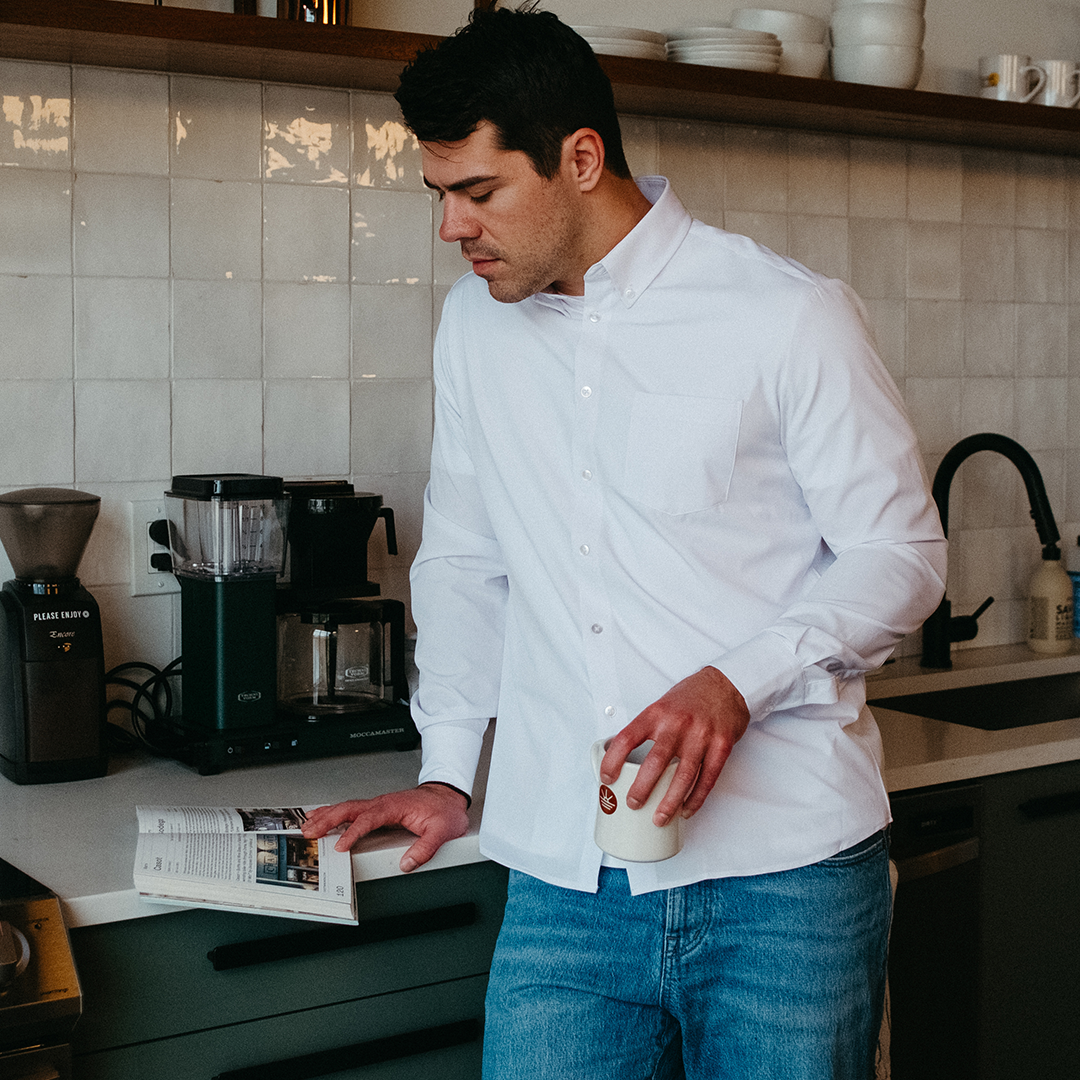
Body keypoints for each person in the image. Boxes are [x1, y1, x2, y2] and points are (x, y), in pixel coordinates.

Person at [301, 6, 947, 1077]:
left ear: (581, 159)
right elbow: (466, 559)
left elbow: (902, 557)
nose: (454, 228)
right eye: (441, 196)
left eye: (479, 191)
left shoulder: (788, 316)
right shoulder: (474, 327)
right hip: (564, 887)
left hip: (784, 880)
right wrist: (450, 771)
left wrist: (737, 681)